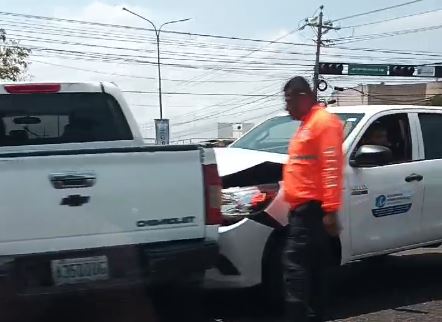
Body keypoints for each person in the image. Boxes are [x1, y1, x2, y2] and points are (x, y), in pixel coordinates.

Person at [282, 76, 344, 322]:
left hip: (312, 211)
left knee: (295, 269)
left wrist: (330, 209)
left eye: (288, 101)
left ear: (302, 96)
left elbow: (331, 166)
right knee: (315, 272)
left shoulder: (323, 123)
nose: (286, 107)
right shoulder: (308, 123)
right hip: (304, 210)